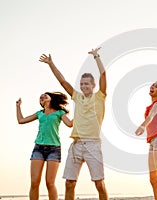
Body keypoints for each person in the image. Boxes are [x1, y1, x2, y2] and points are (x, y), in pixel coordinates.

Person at [39, 47, 108, 200]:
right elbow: (63, 81)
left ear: (93, 85)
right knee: (69, 183)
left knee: (99, 183)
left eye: (87, 84)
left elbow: (103, 75)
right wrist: (51, 64)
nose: (84, 87)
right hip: (76, 144)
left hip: (93, 145)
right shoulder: (77, 96)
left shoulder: (100, 97)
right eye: (82, 84)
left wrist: (96, 56)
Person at [16, 92, 73, 200]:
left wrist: (82, 112)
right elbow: (21, 120)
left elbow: (70, 124)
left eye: (45, 95)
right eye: (41, 96)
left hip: (54, 149)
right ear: (41, 103)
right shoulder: (39, 113)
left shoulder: (59, 112)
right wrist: (18, 106)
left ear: (51, 98)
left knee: (49, 183)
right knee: (34, 182)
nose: (42, 96)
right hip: (38, 148)